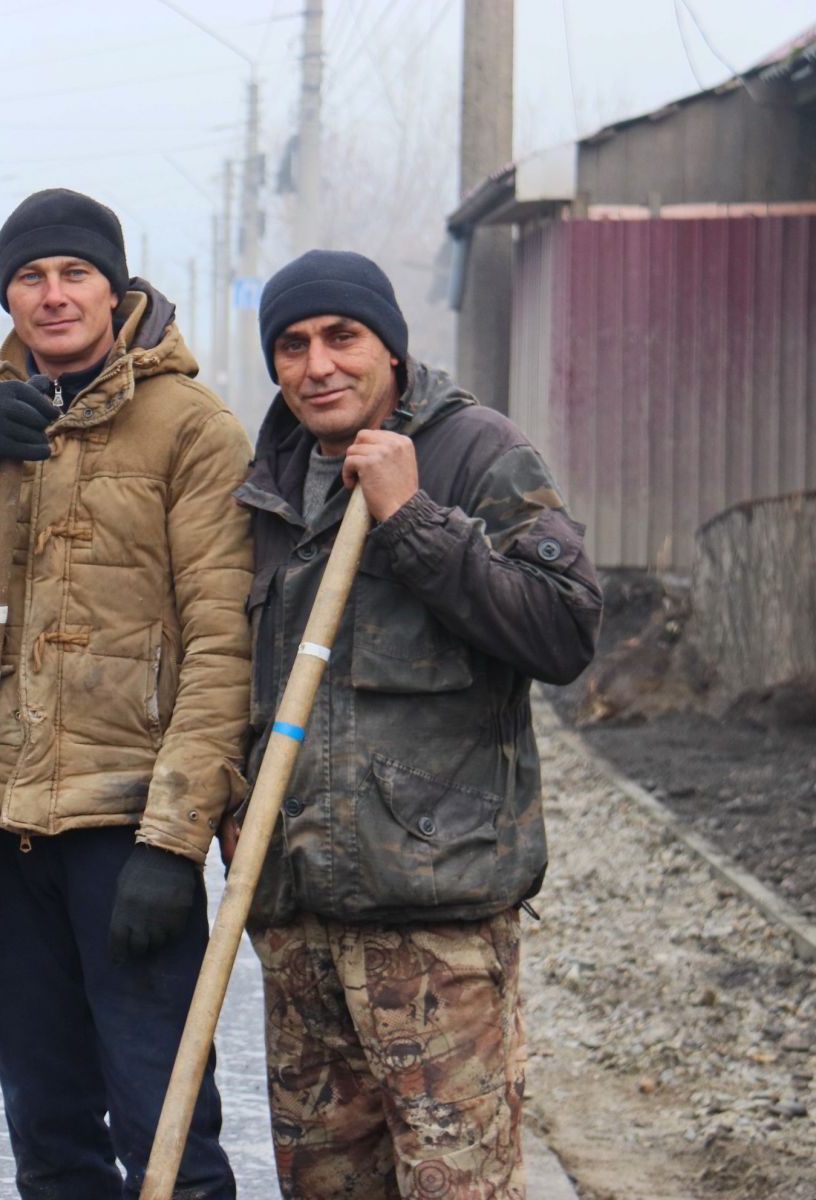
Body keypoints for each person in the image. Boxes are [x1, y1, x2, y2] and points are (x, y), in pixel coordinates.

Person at [233, 249, 603, 1198]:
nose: (318, 365)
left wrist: (414, 520)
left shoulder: (476, 451)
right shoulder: (264, 484)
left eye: (342, 338)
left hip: (435, 931)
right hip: (300, 930)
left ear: (390, 349)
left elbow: (564, 631)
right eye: (292, 345)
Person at [0, 187, 253, 1198]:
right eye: (30, 277)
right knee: (51, 1134)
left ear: (115, 286)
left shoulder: (192, 429)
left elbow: (220, 642)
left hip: (126, 832)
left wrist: (176, 837)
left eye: (73, 273)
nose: (53, 295)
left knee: (167, 1131)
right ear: (7, 294)